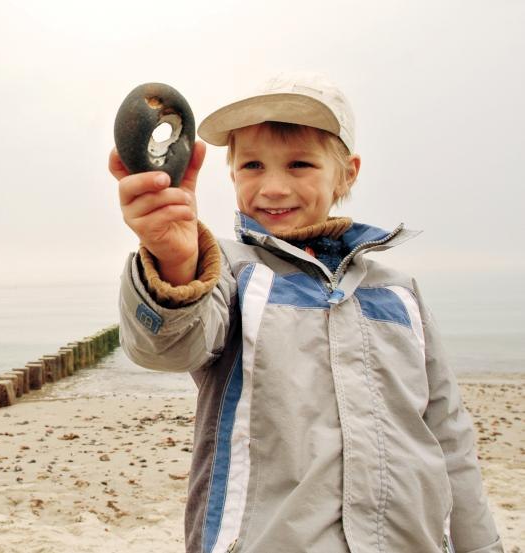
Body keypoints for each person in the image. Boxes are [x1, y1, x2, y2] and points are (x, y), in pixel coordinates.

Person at [111, 72, 502, 552]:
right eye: (252, 165)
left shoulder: (400, 293)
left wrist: (481, 545)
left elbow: (448, 438)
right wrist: (172, 259)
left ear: (347, 173)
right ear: (231, 174)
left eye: (299, 165)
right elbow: (168, 347)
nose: (273, 187)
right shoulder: (228, 274)